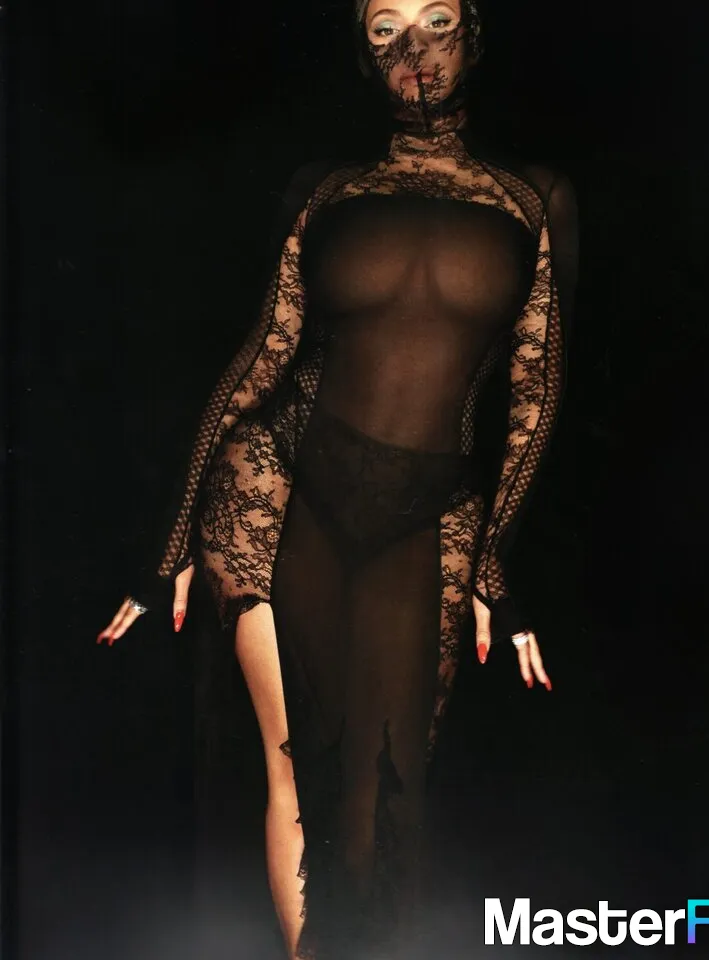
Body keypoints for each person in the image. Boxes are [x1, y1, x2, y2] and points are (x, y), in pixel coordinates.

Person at [97, 0, 578, 956]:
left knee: (386, 795)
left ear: (473, 35)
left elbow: (536, 388)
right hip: (277, 488)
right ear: (363, 54)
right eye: (383, 28)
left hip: (429, 507)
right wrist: (170, 545)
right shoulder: (326, 190)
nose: (413, 48)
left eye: (435, 19)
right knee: (298, 774)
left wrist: (494, 566)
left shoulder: (534, 198)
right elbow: (263, 356)